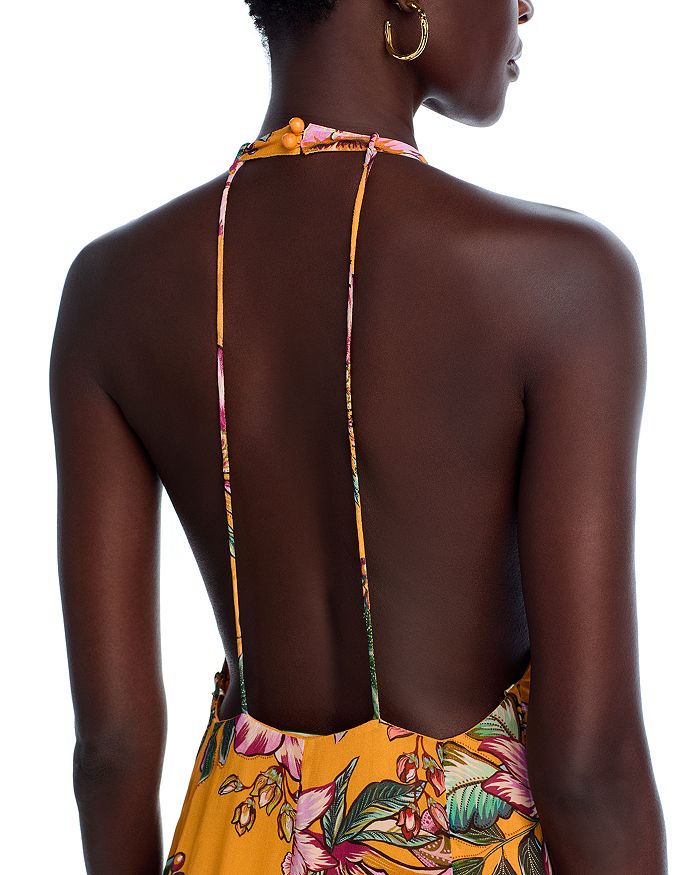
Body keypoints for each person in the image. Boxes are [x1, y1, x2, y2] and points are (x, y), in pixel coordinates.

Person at [50, 0, 667, 873]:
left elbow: (110, 751)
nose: (527, 5)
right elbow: (589, 768)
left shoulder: (109, 292)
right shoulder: (561, 282)